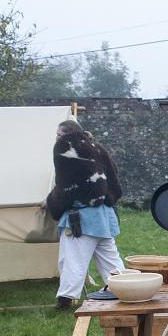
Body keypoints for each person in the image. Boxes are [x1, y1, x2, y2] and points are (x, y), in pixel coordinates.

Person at [44, 120, 125, 310]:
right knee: (110, 259)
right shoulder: (97, 147)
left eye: (58, 134)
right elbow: (113, 177)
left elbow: (66, 187)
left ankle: (66, 300)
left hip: (82, 218)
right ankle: (125, 289)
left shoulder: (65, 148)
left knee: (72, 259)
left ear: (65, 135)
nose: (56, 138)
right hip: (104, 215)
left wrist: (52, 203)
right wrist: (109, 198)